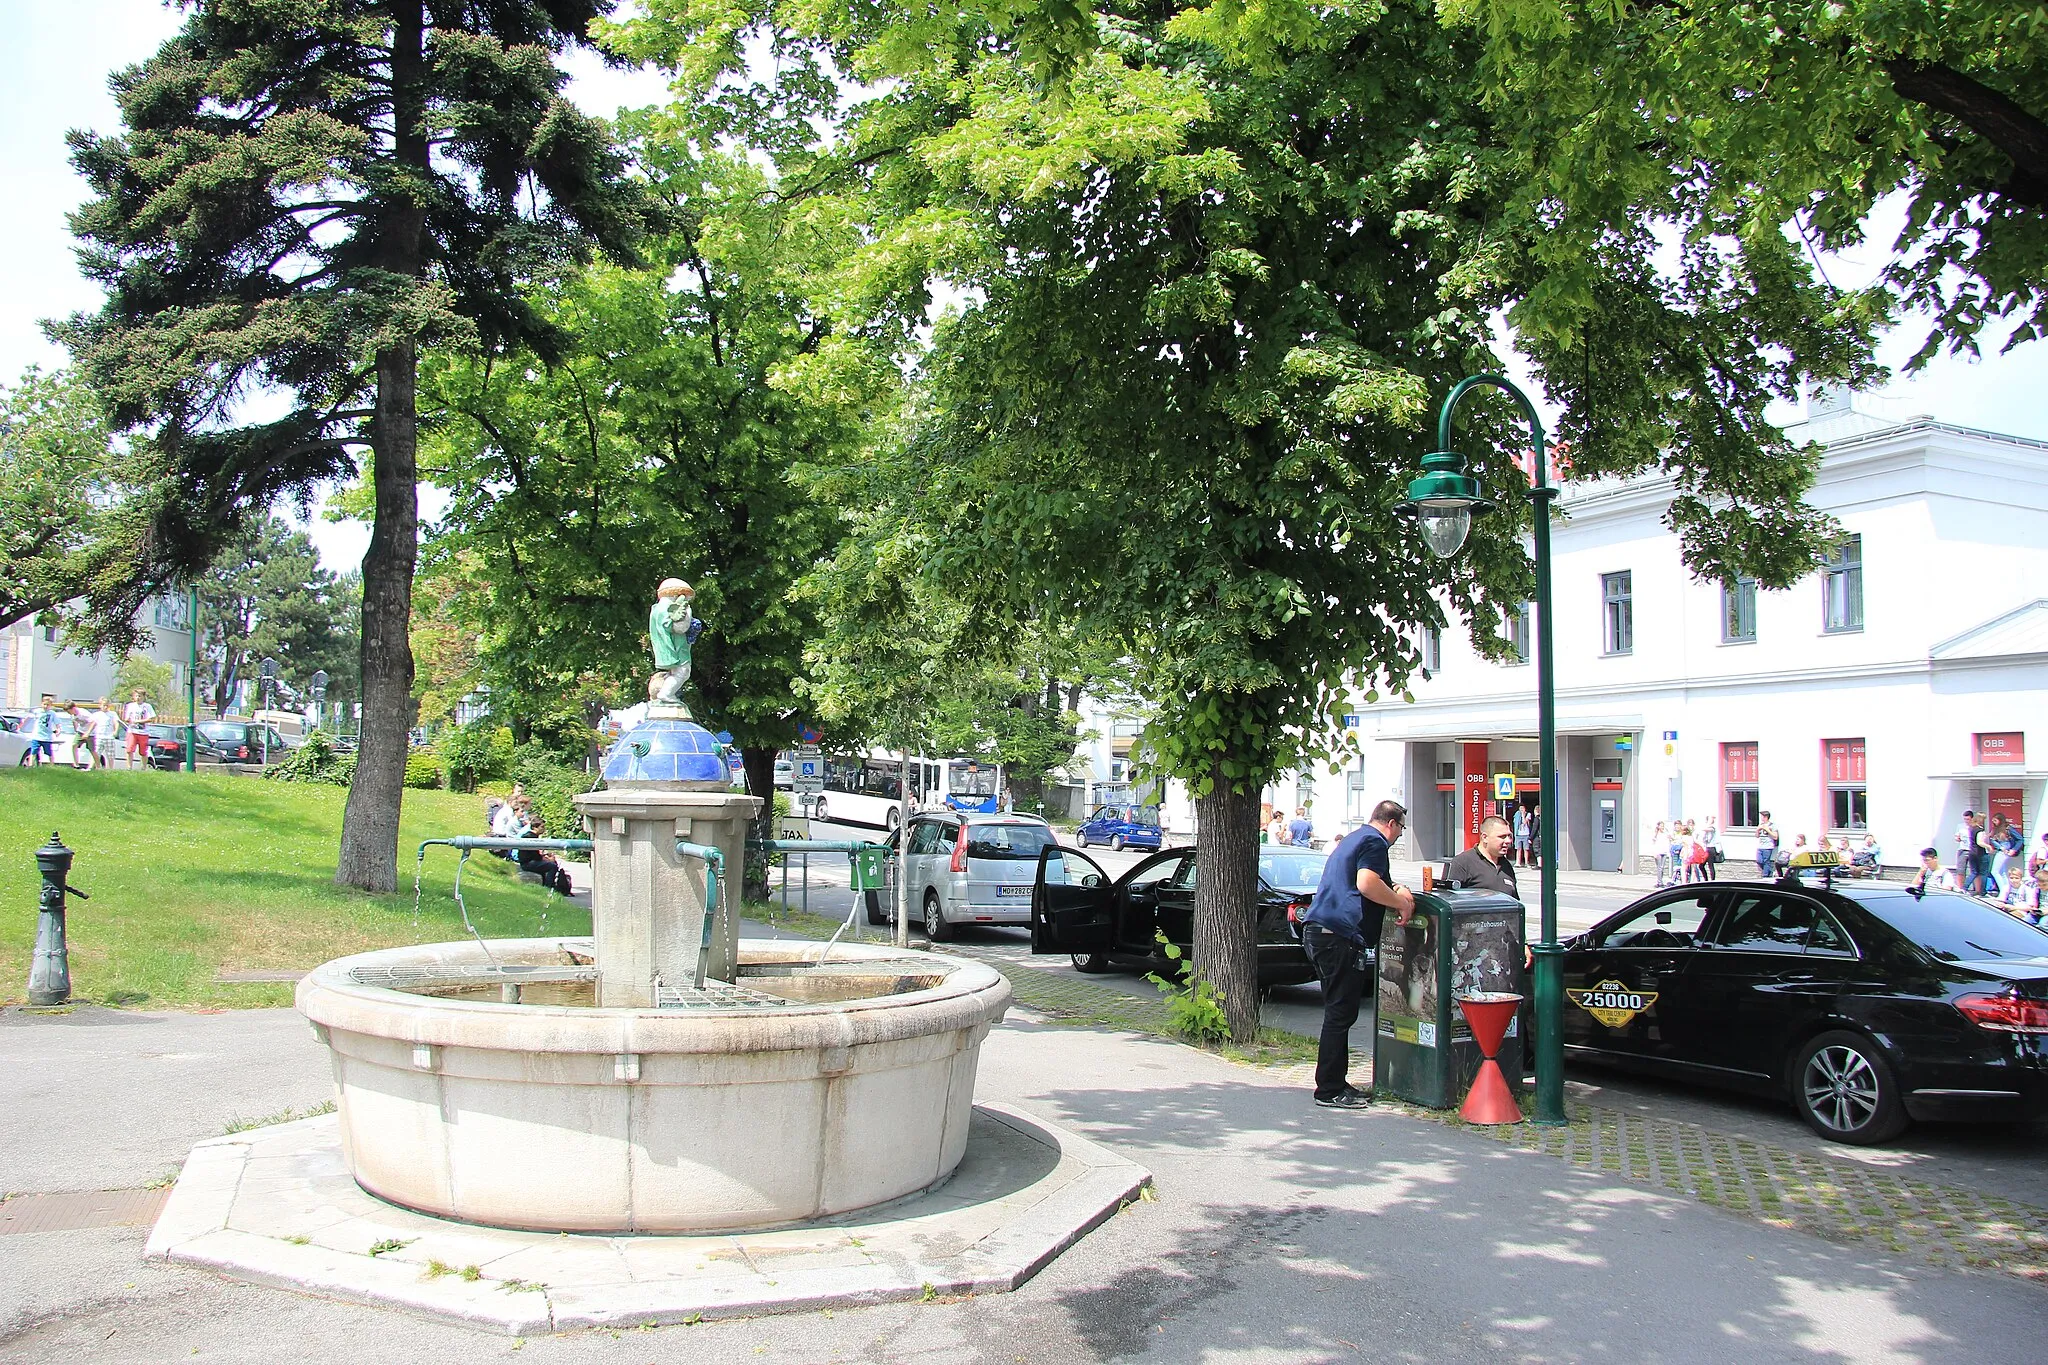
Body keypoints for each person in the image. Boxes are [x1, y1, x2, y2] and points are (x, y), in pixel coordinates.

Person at [1300, 798, 1414, 1110]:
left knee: (1340, 1011)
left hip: (1320, 931)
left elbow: (1369, 880)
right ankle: (1329, 1089)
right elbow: (1366, 884)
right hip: (1340, 935)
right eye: (1401, 828)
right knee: (1341, 1012)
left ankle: (1335, 1081)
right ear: (1391, 823)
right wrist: (1400, 903)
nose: (1400, 835)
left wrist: (1397, 888)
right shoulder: (1375, 842)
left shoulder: (1355, 838)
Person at [1446, 815, 1518, 900]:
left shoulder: (1506, 865)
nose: (1508, 841)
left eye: (1509, 836)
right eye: (1502, 837)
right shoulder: (1463, 862)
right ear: (1485, 838)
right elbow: (1450, 901)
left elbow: (1515, 902)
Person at [122, 690, 157, 768]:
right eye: (136, 696)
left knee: (143, 751)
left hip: (143, 732)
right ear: (134, 697)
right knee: (129, 749)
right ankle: (129, 767)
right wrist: (129, 720)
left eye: (140, 696)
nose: (138, 698)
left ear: (144, 697)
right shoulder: (130, 706)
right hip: (132, 731)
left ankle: (144, 767)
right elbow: (126, 718)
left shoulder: (147, 706)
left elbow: (151, 718)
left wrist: (139, 721)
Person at [81, 698, 119, 769]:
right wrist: (87, 733)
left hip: (109, 737)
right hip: (99, 736)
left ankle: (110, 769)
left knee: (110, 755)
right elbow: (93, 724)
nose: (105, 707)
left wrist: (115, 731)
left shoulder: (113, 714)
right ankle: (91, 767)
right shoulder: (97, 714)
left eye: (107, 705)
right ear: (100, 705)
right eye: (103, 705)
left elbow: (116, 723)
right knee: (96, 753)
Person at [24, 694, 60, 766]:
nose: (46, 706)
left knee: (49, 752)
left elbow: (57, 723)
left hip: (47, 737)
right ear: (41, 704)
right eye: (44, 704)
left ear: (51, 705)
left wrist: (58, 730)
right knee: (33, 751)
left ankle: (52, 765)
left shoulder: (52, 714)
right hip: (37, 736)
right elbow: (27, 717)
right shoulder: (37, 711)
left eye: (48, 705)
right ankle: (30, 765)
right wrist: (22, 724)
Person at [1954, 810, 1978, 887]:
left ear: (1972, 818)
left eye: (1968, 819)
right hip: (1963, 849)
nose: (1966, 821)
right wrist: (1958, 838)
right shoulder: (1960, 826)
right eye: (1965, 819)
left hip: (1972, 850)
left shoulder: (1975, 826)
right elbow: (1956, 837)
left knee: (1974, 870)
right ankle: (1960, 887)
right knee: (1961, 870)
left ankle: (1974, 887)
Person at [1754, 812, 1779, 877]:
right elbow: (1757, 836)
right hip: (1760, 846)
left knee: (1766, 861)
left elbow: (1775, 837)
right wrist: (1757, 830)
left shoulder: (1772, 825)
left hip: (1768, 846)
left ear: (1766, 817)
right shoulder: (1761, 824)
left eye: (1762, 817)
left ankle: (1765, 876)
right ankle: (1769, 871)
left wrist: (1767, 830)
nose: (1761, 818)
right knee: (1759, 861)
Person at [1650, 820, 1670, 886]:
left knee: (1662, 867)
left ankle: (1660, 881)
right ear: (1658, 826)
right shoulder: (1656, 834)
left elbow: (1668, 840)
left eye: (1663, 826)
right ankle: (1659, 882)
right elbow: (1653, 844)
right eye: (1661, 826)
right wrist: (1654, 853)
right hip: (1658, 852)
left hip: (1664, 852)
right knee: (1659, 867)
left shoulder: (1665, 832)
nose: (1662, 827)